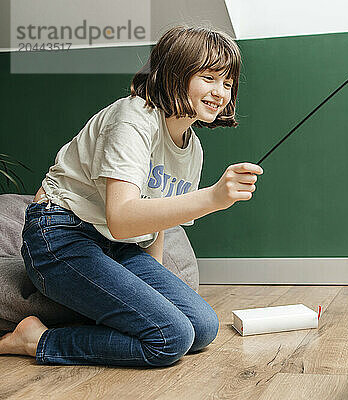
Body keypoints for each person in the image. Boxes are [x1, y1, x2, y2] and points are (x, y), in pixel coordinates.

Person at [0, 26, 263, 367]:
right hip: (60, 236)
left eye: (227, 83)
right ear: (175, 74)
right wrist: (212, 197)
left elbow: (158, 220)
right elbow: (122, 218)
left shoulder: (192, 147)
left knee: (202, 327)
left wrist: (150, 286)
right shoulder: (134, 117)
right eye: (209, 78)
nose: (220, 92)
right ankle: (36, 340)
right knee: (171, 339)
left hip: (117, 245)